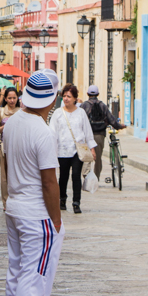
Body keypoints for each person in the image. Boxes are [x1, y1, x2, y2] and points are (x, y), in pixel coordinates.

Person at [1, 70, 63, 296]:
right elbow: (49, 181)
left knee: (17, 269)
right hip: (36, 212)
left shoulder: (12, 123)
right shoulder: (43, 131)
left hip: (14, 206)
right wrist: (57, 219)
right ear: (51, 100)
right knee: (35, 274)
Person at [49, 84, 96, 214]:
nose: (66, 99)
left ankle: (76, 202)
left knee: (76, 175)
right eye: (64, 96)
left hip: (77, 150)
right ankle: (62, 199)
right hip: (62, 150)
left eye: (69, 96)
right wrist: (52, 151)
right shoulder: (58, 113)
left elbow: (87, 132)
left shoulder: (81, 113)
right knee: (63, 177)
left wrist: (92, 148)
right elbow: (52, 133)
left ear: (75, 98)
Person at [80, 85, 126, 179]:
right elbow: (111, 120)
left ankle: (86, 177)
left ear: (87, 94)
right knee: (98, 158)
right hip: (99, 135)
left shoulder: (84, 106)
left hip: (86, 136)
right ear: (98, 94)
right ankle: (96, 178)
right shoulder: (102, 105)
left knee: (86, 158)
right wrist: (119, 126)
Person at [0, 87, 21, 207]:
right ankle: (6, 202)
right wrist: (6, 126)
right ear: (5, 98)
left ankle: (18, 200)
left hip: (19, 148)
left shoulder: (22, 112)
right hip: (4, 147)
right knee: (4, 177)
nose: (12, 100)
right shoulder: (0, 112)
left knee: (18, 176)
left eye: (14, 98)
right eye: (9, 98)